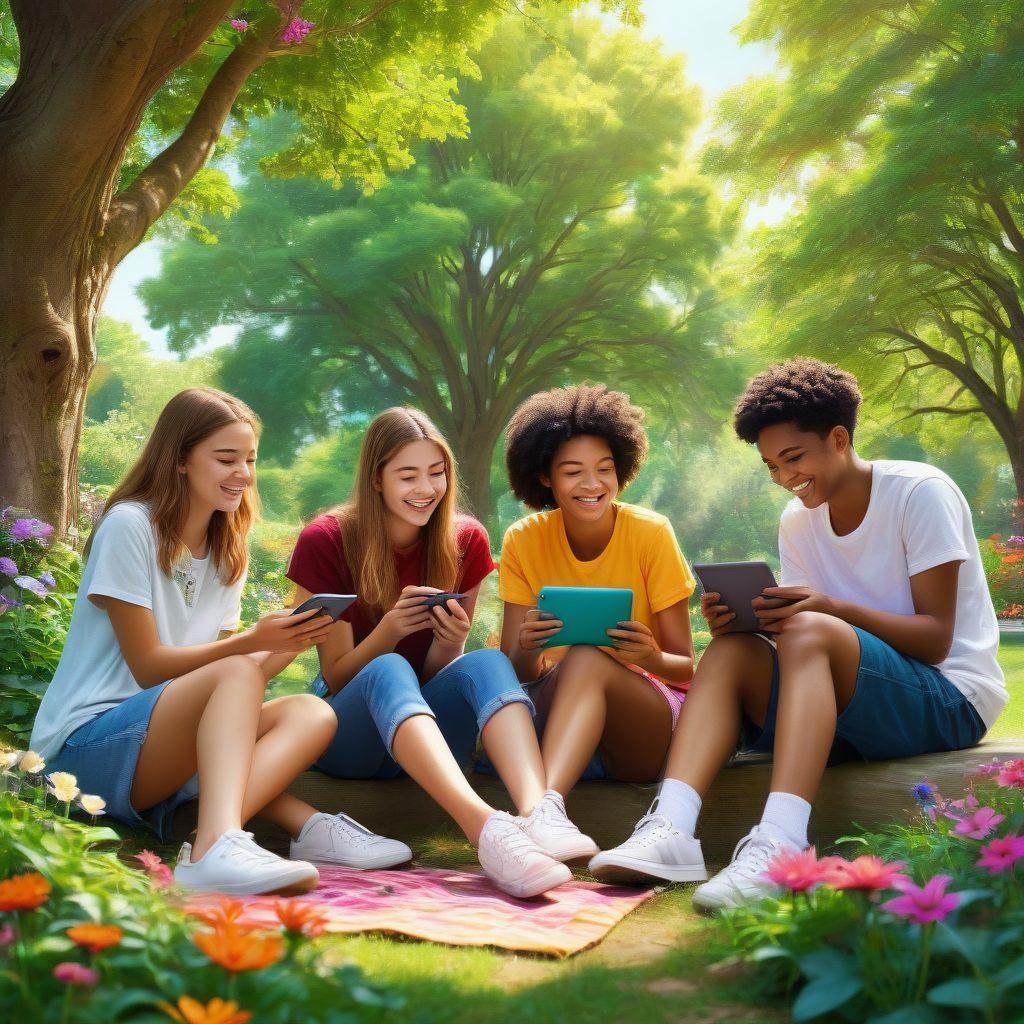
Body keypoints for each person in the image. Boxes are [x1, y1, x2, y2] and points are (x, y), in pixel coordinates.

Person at [590, 358, 1006, 910]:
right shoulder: (798, 519)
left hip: (948, 697)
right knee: (733, 648)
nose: (785, 477)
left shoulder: (919, 492)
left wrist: (829, 608)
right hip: (853, 703)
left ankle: (780, 842)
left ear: (838, 439)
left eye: (793, 458)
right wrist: (752, 621)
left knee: (810, 628)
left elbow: (934, 639)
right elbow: (802, 637)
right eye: (771, 466)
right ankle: (670, 828)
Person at [30, 388, 403, 896]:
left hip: (159, 744)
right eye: (226, 459)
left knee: (312, 713)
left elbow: (236, 683)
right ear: (180, 459)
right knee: (236, 669)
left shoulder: (228, 547)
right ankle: (223, 845)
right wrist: (250, 641)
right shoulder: (130, 525)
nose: (243, 475)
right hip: (86, 747)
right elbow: (149, 667)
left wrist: (288, 642)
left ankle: (214, 828)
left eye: (249, 460)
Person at [285, 407, 574, 898]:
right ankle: (484, 828)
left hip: (426, 735)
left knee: (486, 661)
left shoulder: (464, 538)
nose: (426, 489)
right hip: (351, 737)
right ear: (376, 479)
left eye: (437, 473)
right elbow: (335, 678)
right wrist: (388, 632)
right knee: (389, 664)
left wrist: (448, 643)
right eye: (408, 475)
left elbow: (438, 674)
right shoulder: (328, 539)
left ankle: (537, 813)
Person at [498, 384, 697, 860]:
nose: (593, 484)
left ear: (621, 469)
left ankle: (544, 807)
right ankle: (546, 812)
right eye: (574, 472)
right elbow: (518, 672)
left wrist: (647, 656)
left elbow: (687, 667)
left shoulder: (650, 533)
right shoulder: (523, 539)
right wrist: (528, 645)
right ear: (545, 477)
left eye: (604, 469)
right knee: (578, 661)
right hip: (560, 706)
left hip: (642, 720)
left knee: (587, 654)